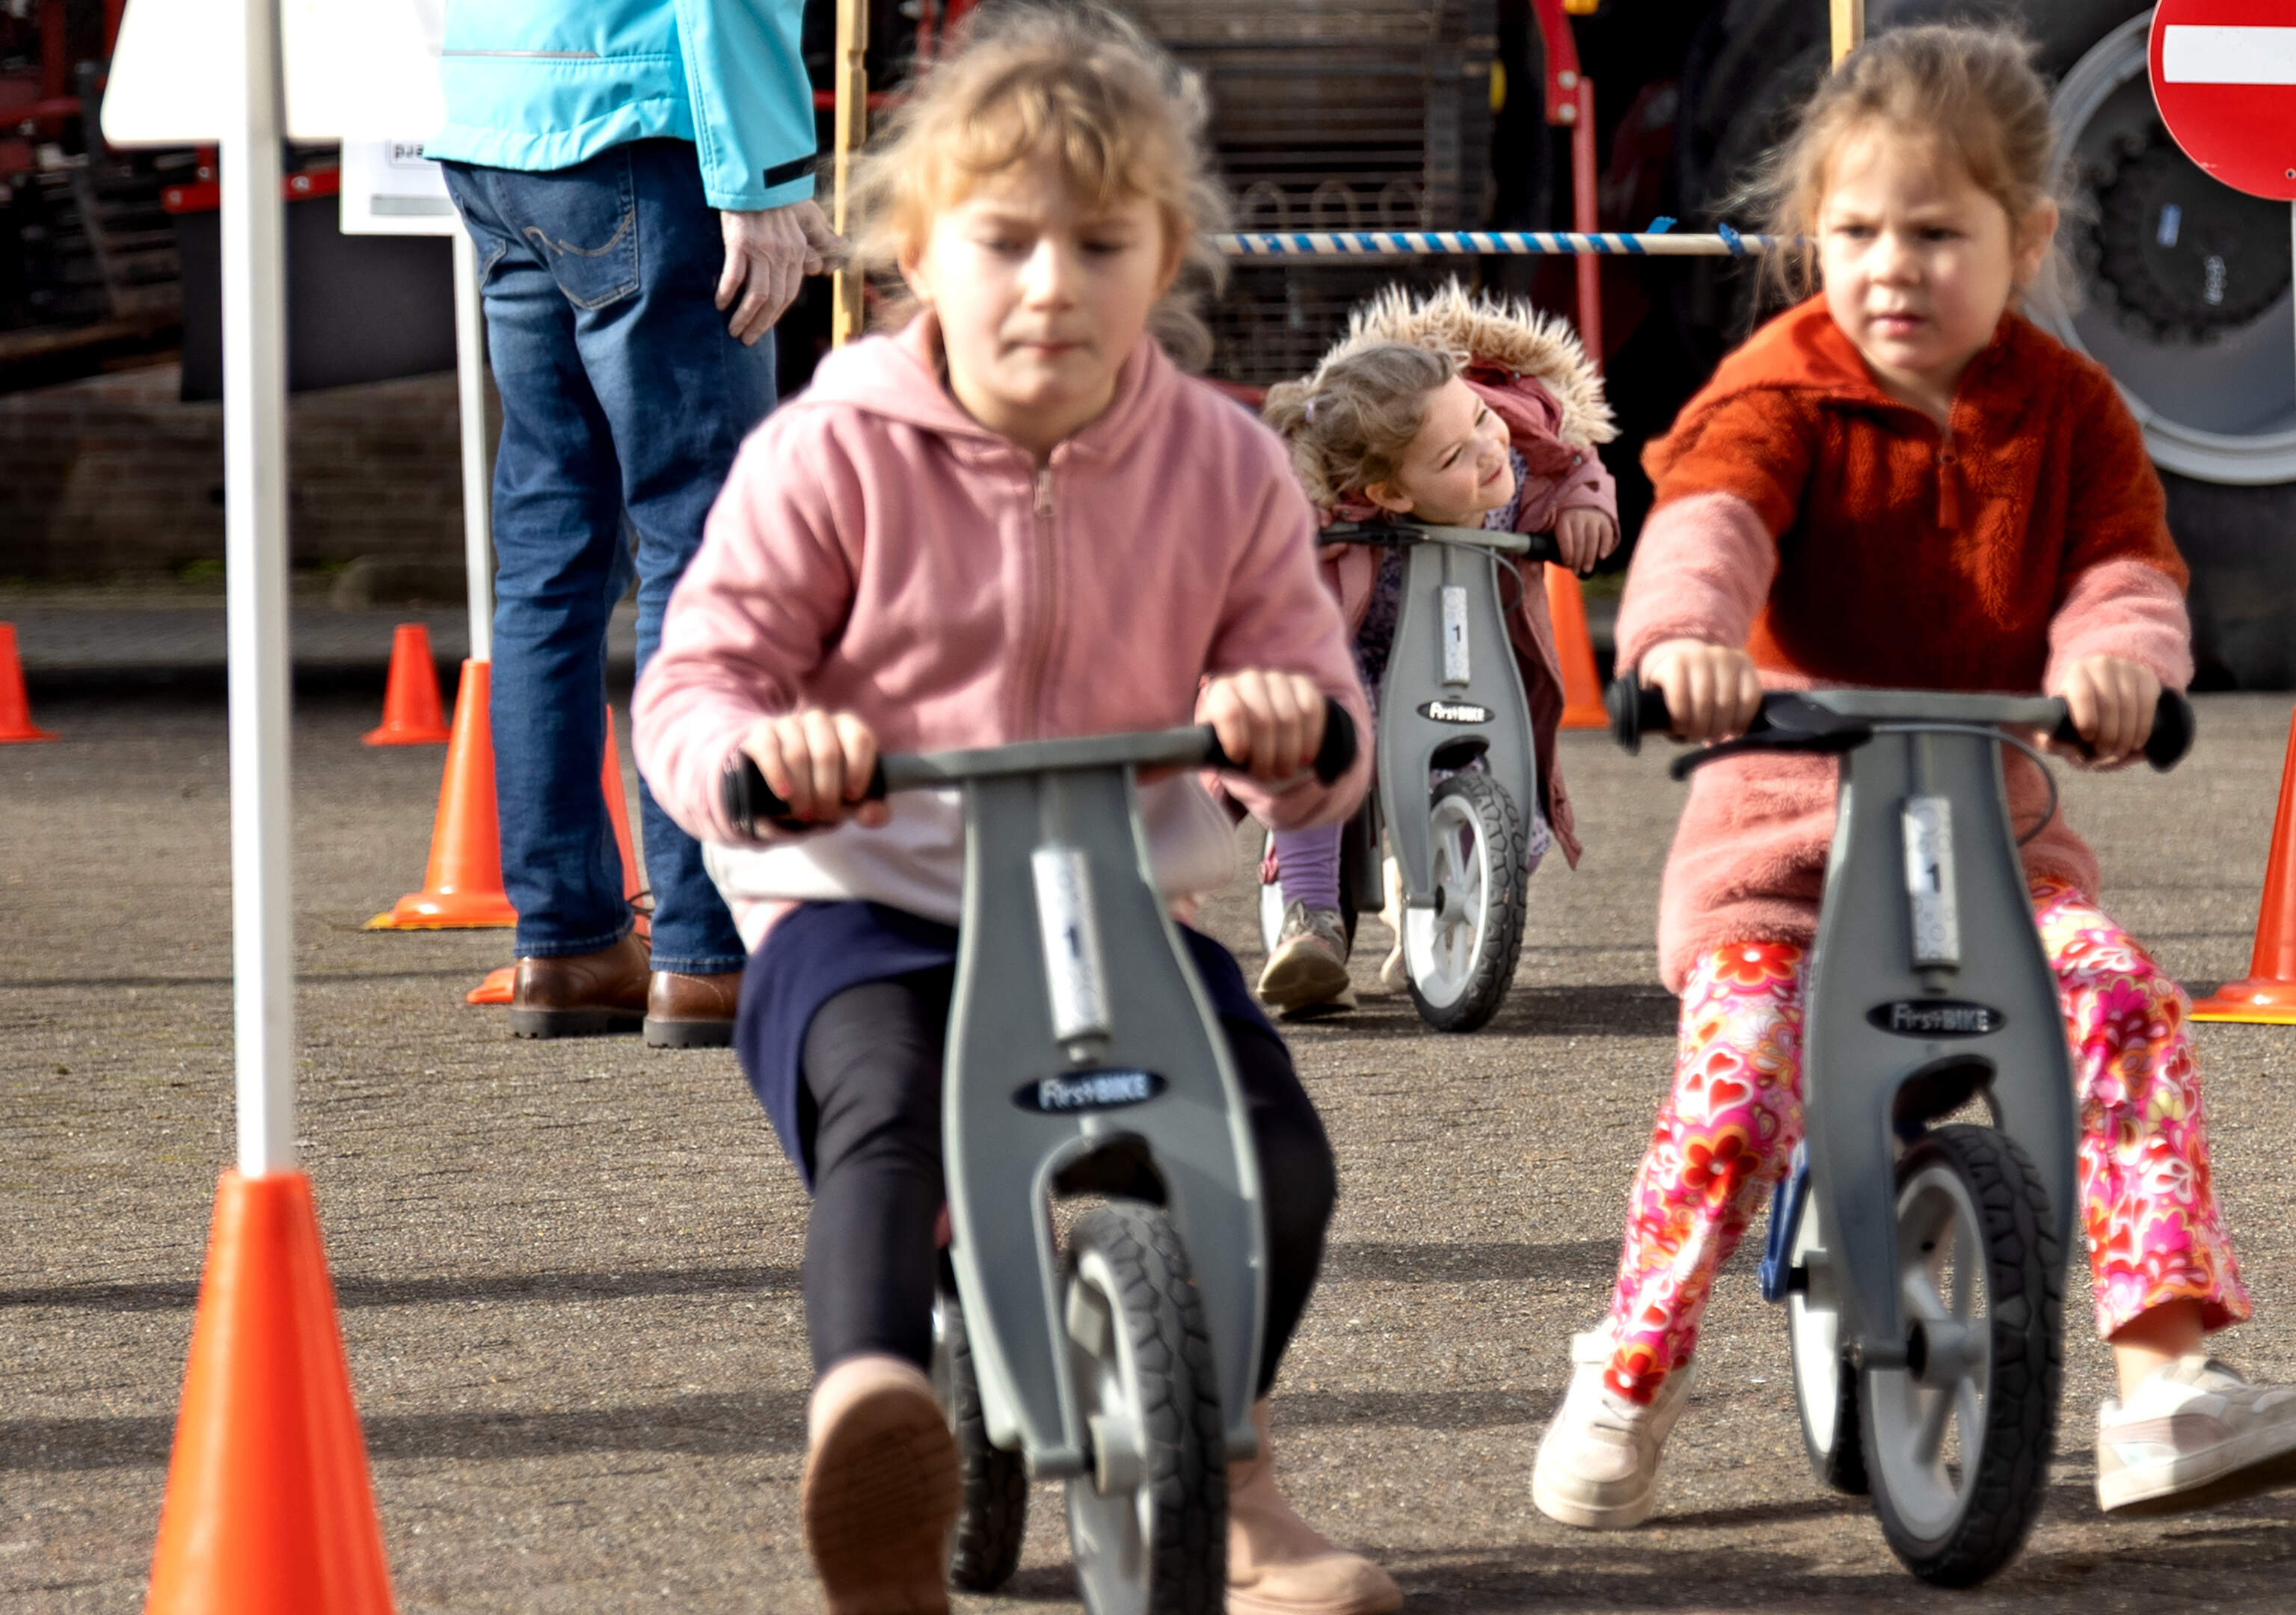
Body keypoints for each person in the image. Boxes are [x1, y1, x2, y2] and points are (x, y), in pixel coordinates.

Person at [1529, 22, 2296, 1531]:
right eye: (1855, 232)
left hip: (1995, 842)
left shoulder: (2070, 412)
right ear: (1812, 240)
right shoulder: (1781, 387)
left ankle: (2166, 1384)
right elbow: (1709, 523)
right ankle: (1627, 1372)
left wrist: (2122, 664)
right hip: (1784, 855)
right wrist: (1681, 645)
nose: (1892, 267)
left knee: (2114, 993)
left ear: (2026, 239)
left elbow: (2126, 568)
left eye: (1936, 232)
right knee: (1733, 1095)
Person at [633, 8, 1404, 1611]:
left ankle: (1239, 1475)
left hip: (1112, 899)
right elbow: (697, 678)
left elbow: (1321, 711)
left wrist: (1290, 732)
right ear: (920, 248)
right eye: (1004, 242)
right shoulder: (833, 449)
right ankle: (873, 1435)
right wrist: (765, 760)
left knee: (1273, 1154)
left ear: (1164, 258)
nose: (1049, 284)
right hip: (869, 903)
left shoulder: (1224, 466)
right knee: (890, 1116)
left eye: (1098, 244)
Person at [430, 0, 841, 1045]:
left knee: (550, 552)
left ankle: (566, 942)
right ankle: (706, 946)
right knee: (702, 548)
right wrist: (766, 177)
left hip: (495, 113)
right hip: (648, 123)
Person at [1251, 285, 1621, 1013]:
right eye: (1456, 453)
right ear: (1388, 493)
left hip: (1462, 663)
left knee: (1512, 799)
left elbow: (1574, 466)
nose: (1489, 451)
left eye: (1484, 418)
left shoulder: (1513, 465)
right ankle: (1311, 919)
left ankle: (1430, 907)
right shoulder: (1331, 499)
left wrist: (1585, 509)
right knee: (1317, 743)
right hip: (1350, 654)